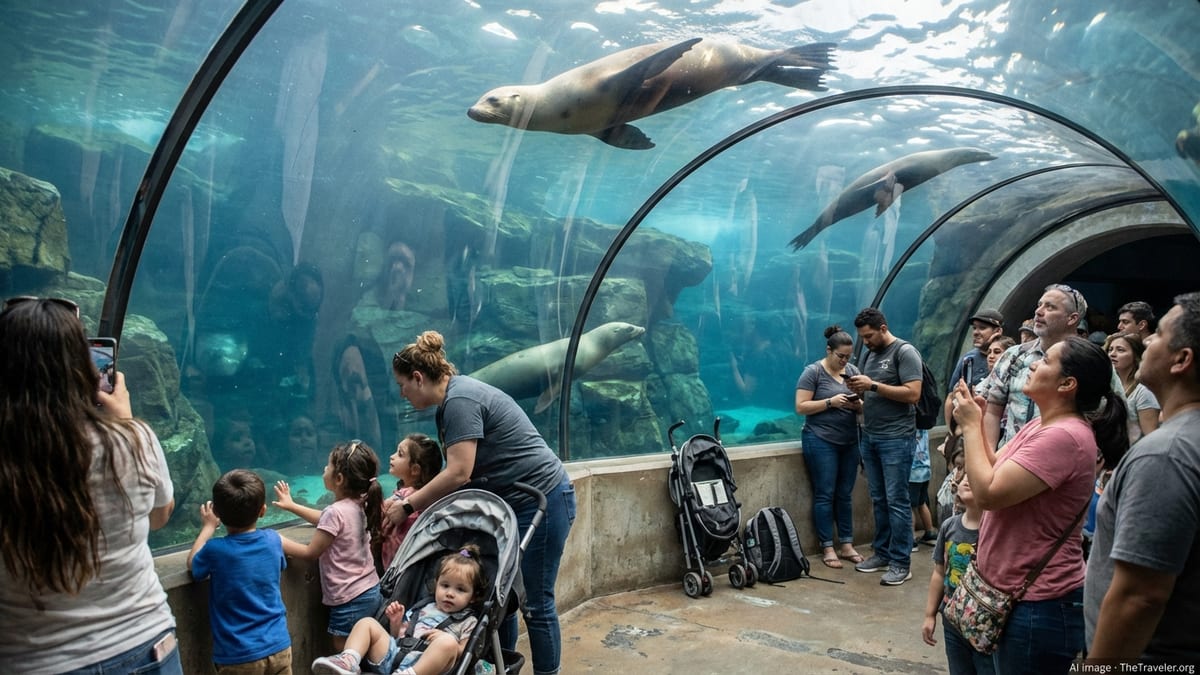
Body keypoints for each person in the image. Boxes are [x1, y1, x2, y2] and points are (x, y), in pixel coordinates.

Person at [0, 296, 180, 673]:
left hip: (40, 661)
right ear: (81, 366)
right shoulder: (135, 438)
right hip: (146, 645)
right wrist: (127, 424)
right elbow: (160, 516)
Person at [389, 331, 575, 675]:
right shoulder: (450, 403)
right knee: (498, 600)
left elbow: (459, 472)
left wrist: (408, 504)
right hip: (510, 506)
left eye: (403, 385)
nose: (402, 393)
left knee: (536, 602)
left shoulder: (460, 401)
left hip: (542, 500)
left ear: (418, 378)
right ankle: (498, 667)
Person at [950, 336, 1128, 674]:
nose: (1032, 364)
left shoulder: (1065, 436)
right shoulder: (1039, 424)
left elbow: (986, 494)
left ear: (1067, 384)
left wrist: (972, 426)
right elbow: (992, 469)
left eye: (1045, 361)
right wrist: (980, 417)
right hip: (1012, 596)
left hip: (1039, 604)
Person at [1086, 292, 1200, 663]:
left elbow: (1140, 595)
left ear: (1182, 360)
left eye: (1159, 335)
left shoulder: (1165, 454)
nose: (1146, 342)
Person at [273, 440, 384, 651]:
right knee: (365, 647)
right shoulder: (361, 502)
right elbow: (326, 520)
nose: (324, 469)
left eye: (328, 467)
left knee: (345, 650)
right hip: (370, 589)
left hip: (349, 598)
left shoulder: (336, 512)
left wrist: (277, 540)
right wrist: (292, 506)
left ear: (339, 479)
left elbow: (310, 552)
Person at [312, 545, 488, 675]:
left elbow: (466, 652)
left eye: (460, 589)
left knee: (448, 643)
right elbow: (399, 636)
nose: (449, 593)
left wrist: (446, 639)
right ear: (436, 585)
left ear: (473, 597)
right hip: (395, 656)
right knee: (367, 623)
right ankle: (349, 660)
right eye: (445, 585)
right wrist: (396, 622)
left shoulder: (468, 621)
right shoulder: (424, 607)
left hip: (428, 667)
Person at [846, 307, 924, 586]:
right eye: (862, 337)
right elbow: (872, 392)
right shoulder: (869, 354)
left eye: (868, 336)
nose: (865, 342)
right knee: (878, 499)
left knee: (897, 501)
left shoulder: (905, 352)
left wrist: (873, 386)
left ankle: (902, 562)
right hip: (871, 435)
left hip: (897, 438)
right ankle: (882, 553)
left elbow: (913, 393)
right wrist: (859, 397)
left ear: (883, 328)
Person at [187, 469, 291, 673]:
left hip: (238, 655)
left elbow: (193, 565)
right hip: (279, 645)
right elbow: (280, 566)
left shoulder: (215, 550)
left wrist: (208, 527)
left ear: (217, 512)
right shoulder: (273, 540)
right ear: (263, 510)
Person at [976, 284, 1090, 449]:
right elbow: (992, 409)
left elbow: (1110, 414)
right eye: (1040, 305)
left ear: (1072, 319)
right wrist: (990, 459)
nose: (1039, 312)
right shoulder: (1013, 356)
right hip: (1010, 459)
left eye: (1050, 307)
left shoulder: (1088, 360)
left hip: (1063, 459)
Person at [794, 325, 865, 569]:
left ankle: (846, 543)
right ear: (829, 350)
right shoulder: (812, 372)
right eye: (840, 356)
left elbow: (865, 404)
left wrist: (858, 406)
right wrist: (830, 402)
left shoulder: (853, 371)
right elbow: (801, 406)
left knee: (844, 493)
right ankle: (827, 545)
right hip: (820, 439)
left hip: (849, 440)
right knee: (825, 493)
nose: (845, 361)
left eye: (848, 356)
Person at [922, 474, 993, 675]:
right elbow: (939, 572)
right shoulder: (949, 526)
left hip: (984, 621)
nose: (968, 480)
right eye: (964, 477)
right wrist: (930, 615)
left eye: (975, 477)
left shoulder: (995, 529)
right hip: (952, 618)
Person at [377, 433, 443, 573]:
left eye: (400, 454)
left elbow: (376, 513)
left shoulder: (404, 497)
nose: (392, 456)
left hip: (396, 570)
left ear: (415, 470)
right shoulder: (425, 497)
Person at [943, 309, 1005, 424]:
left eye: (982, 328)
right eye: (974, 328)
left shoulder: (1009, 356)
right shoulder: (968, 359)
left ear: (998, 331)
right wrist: (951, 433)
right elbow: (951, 396)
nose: (976, 332)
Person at [1104, 332, 1160, 444]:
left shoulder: (1143, 391)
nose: (1112, 354)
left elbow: (1151, 437)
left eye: (1120, 350)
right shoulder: (1108, 385)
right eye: (1110, 350)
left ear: (1136, 356)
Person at [910, 430, 937, 548]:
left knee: (909, 506)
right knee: (922, 502)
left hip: (912, 472)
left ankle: (910, 539)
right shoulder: (924, 428)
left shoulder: (909, 427)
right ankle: (930, 531)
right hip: (925, 470)